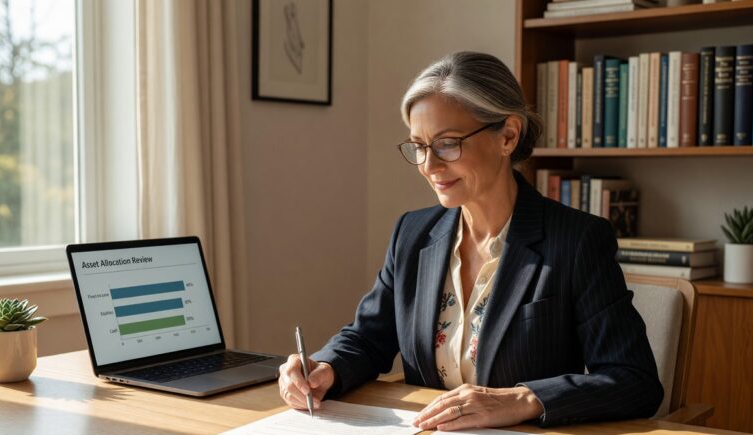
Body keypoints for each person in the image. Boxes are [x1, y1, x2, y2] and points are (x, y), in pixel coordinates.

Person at [277, 51, 663, 430]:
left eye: (447, 143)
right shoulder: (412, 234)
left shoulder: (576, 241)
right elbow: (368, 338)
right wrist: (323, 367)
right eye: (420, 146)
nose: (429, 166)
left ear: (508, 136)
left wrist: (523, 398)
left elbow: (635, 380)